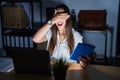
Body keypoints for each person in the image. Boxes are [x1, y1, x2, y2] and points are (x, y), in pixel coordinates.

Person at [32, 4, 91, 68]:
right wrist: (52, 21)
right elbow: (35, 39)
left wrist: (83, 62)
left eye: (62, 17)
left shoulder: (76, 36)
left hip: (68, 71)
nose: (59, 19)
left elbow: (80, 60)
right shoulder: (51, 32)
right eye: (57, 17)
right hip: (51, 70)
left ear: (67, 18)